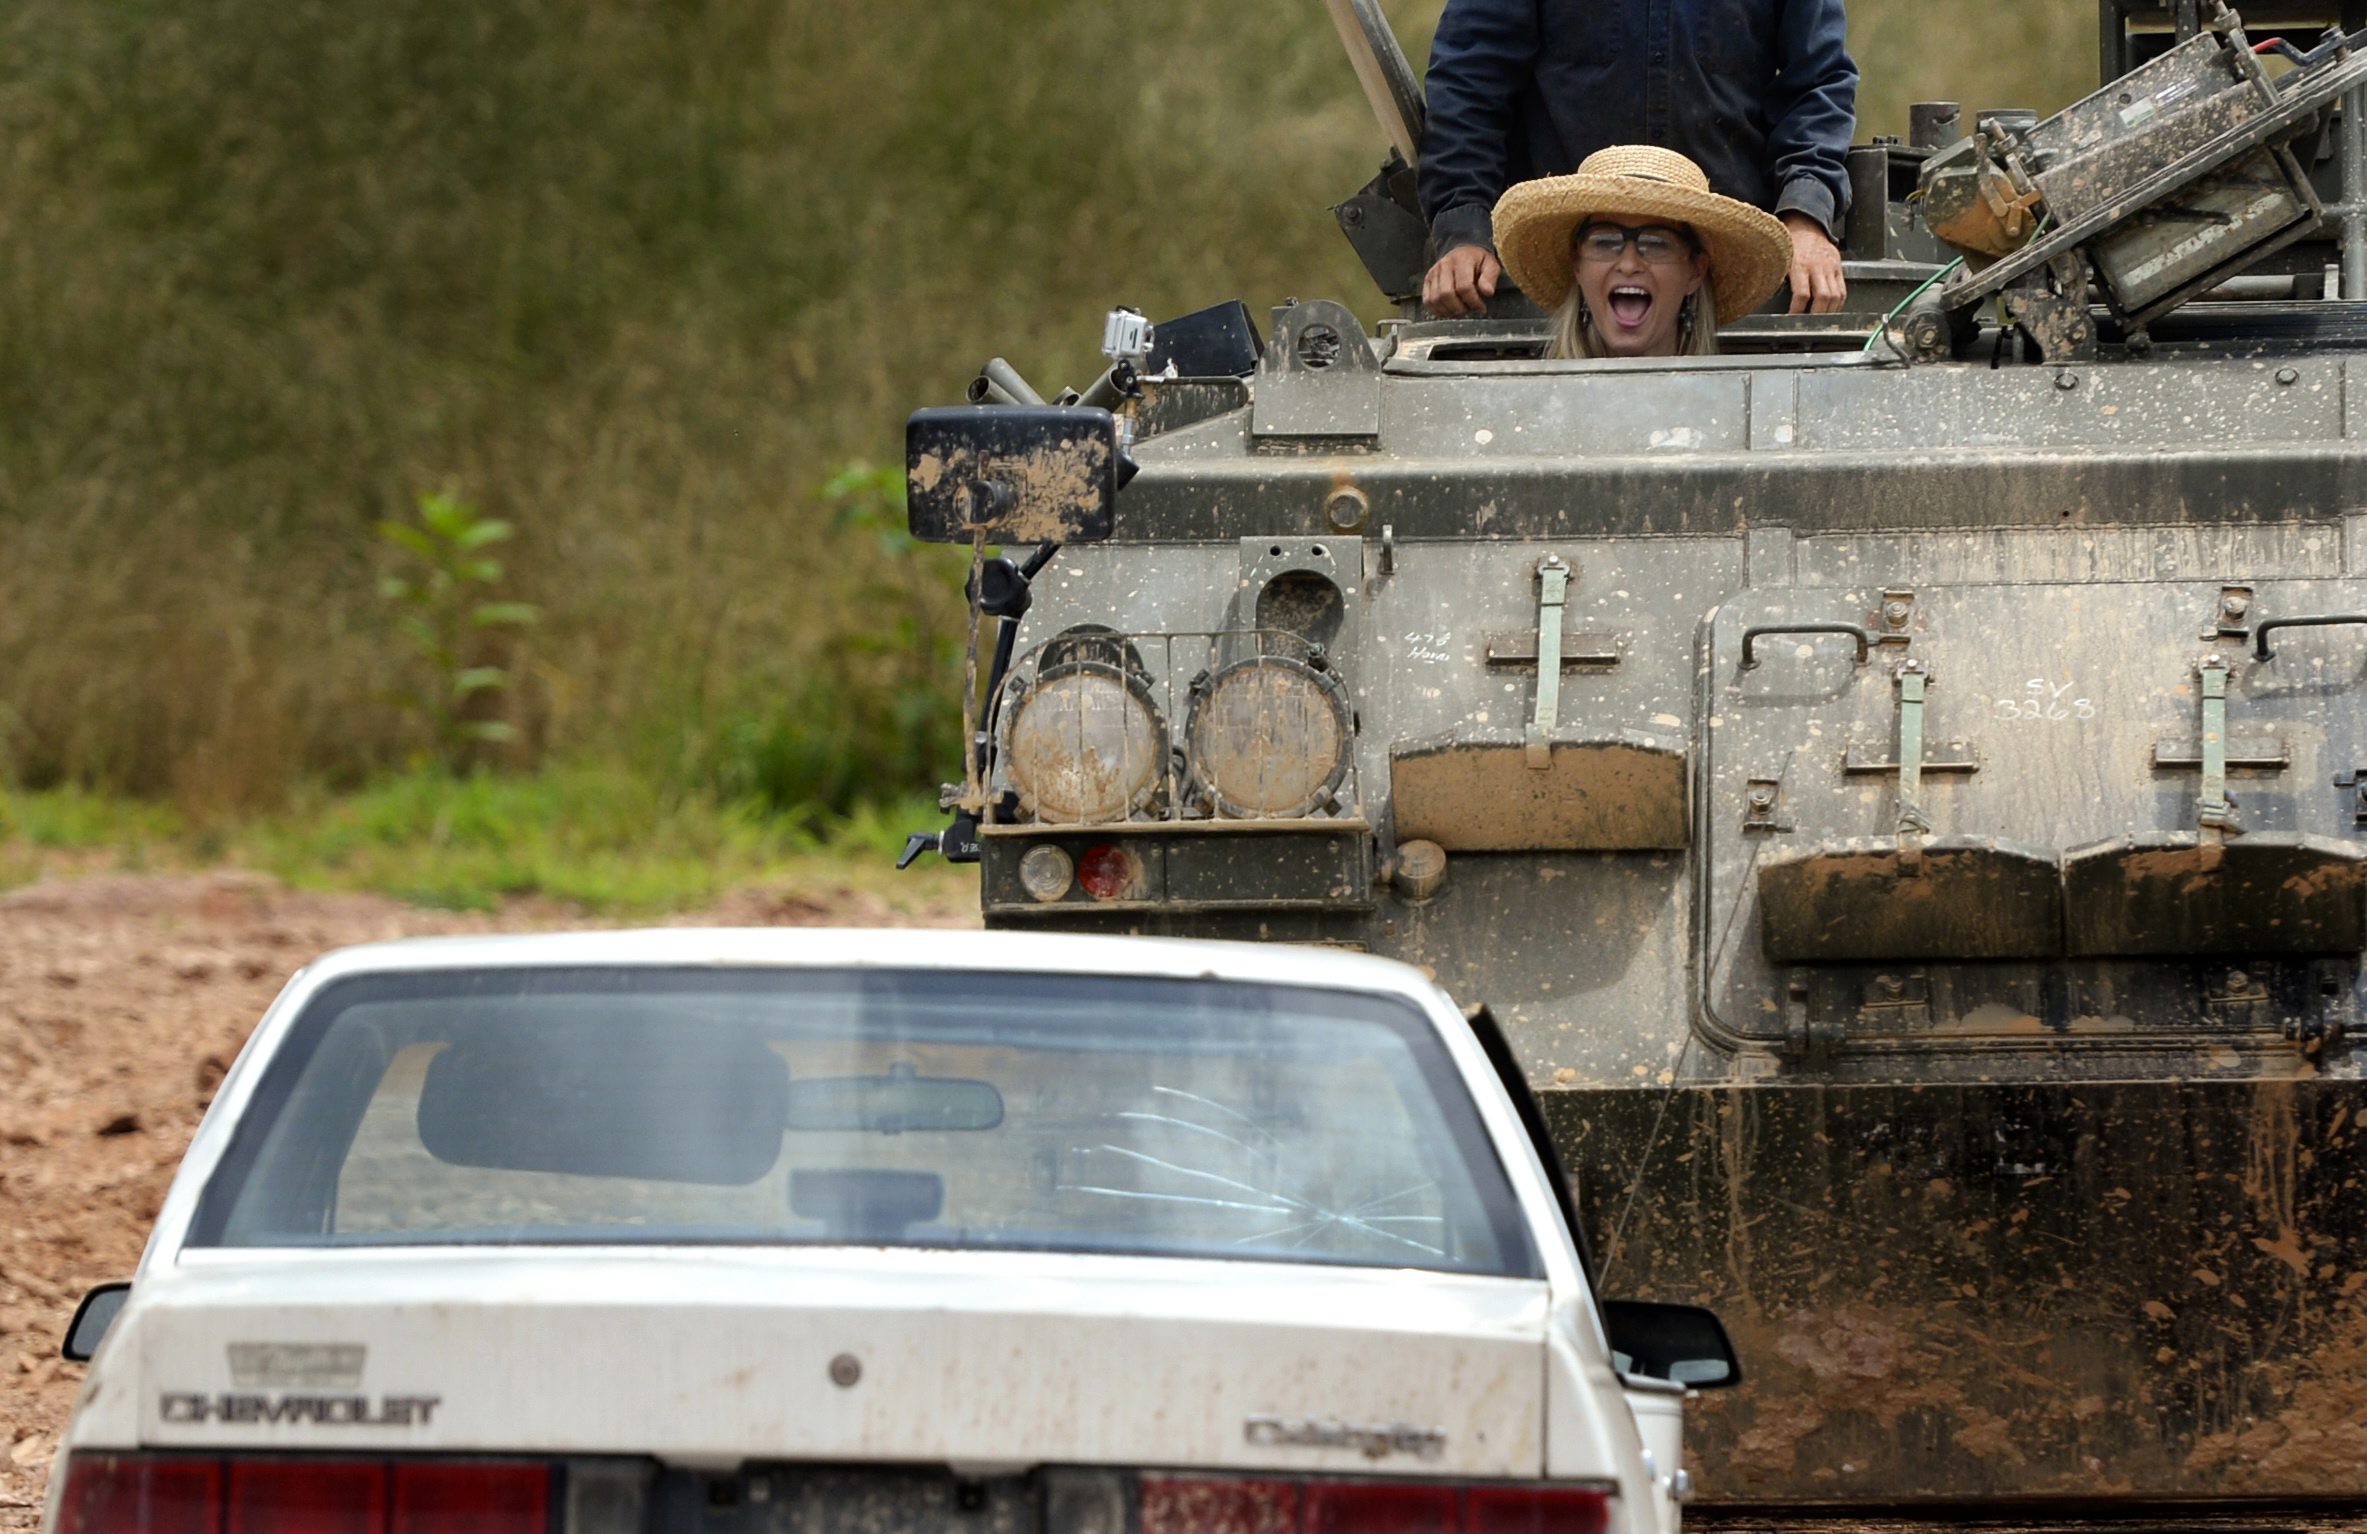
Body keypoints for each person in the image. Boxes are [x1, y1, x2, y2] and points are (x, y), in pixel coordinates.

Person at [1418, 0, 1857, 318]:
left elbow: (1818, 84)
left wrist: (1805, 218)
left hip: (1725, 268)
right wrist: (1465, 229)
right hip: (1564, 276)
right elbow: (1469, 84)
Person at [1492, 145, 1792, 358]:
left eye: (1657, 243)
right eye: (1605, 241)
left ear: (1696, 271)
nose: (1629, 263)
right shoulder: (1532, 406)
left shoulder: (1734, 408)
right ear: (1576, 264)